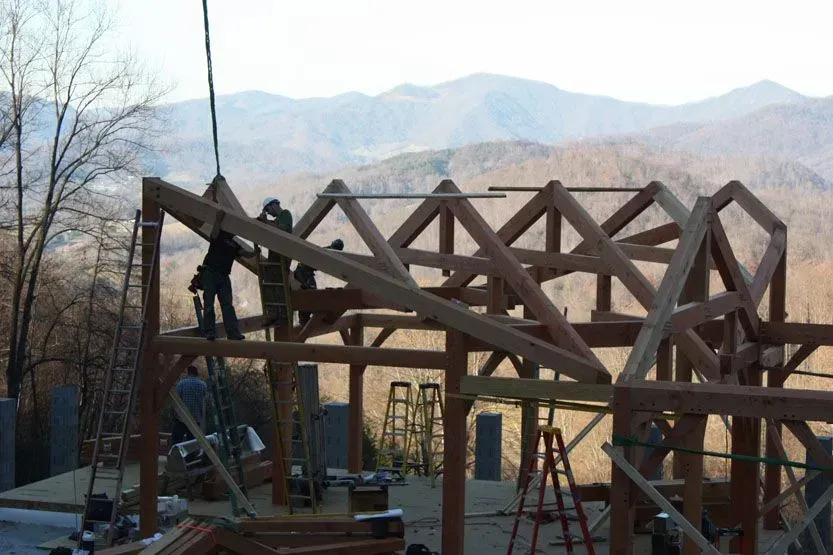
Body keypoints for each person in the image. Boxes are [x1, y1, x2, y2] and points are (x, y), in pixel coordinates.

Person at [200, 230, 250, 340]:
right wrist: (219, 218)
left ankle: (232, 333)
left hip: (222, 275)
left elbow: (244, 253)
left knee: (226, 305)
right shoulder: (219, 236)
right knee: (210, 304)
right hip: (211, 272)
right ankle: (210, 333)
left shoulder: (234, 244)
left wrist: (255, 252)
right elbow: (213, 234)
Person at [257, 197, 294, 326]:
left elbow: (281, 229)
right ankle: (273, 314)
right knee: (268, 284)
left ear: (273, 205)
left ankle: (283, 315)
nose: (269, 213)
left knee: (280, 286)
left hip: (282, 257)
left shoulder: (286, 214)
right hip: (275, 257)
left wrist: (266, 222)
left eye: (268, 210)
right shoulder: (277, 220)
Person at [294, 239, 344, 325]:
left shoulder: (327, 251)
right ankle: (306, 319)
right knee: (310, 294)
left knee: (309, 294)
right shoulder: (327, 253)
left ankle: (309, 318)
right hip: (302, 273)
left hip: (304, 272)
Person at [172, 366, 207, 445]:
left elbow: (176, 399)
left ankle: (176, 455)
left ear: (188, 372)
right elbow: (205, 399)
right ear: (196, 373)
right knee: (191, 442)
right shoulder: (203, 385)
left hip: (182, 417)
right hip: (196, 418)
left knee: (177, 439)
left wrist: (175, 413)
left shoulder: (181, 383)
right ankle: (190, 457)